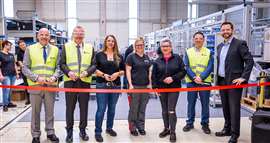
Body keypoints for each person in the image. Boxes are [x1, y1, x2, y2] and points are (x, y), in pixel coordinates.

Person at [215, 22, 254, 143]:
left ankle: (234, 134)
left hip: (234, 82)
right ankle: (227, 129)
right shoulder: (220, 46)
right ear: (221, 32)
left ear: (232, 30)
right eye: (223, 30)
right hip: (222, 81)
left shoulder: (239, 44)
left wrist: (243, 77)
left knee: (234, 109)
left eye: (227, 29)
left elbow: (250, 61)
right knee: (225, 107)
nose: (225, 31)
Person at [22, 28, 60, 143]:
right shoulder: (30, 49)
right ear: (38, 36)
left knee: (50, 111)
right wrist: (36, 78)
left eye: (46, 35)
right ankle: (35, 135)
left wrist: (54, 77)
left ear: (49, 37)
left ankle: (50, 132)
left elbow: (58, 67)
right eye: (42, 35)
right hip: (35, 86)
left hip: (50, 86)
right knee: (35, 112)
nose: (44, 37)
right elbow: (25, 68)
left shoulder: (55, 49)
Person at [60, 25, 96, 142]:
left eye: (81, 33)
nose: (79, 35)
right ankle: (69, 132)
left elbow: (94, 65)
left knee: (84, 108)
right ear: (73, 34)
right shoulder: (66, 46)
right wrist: (69, 72)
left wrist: (87, 72)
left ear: (84, 35)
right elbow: (62, 64)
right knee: (70, 108)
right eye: (77, 32)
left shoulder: (90, 47)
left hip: (84, 82)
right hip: (70, 82)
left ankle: (82, 130)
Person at [152, 37, 186, 142]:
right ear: (161, 48)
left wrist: (173, 78)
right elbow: (154, 75)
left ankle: (173, 131)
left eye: (167, 46)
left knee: (171, 110)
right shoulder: (157, 61)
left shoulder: (177, 58)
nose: (165, 48)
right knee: (164, 110)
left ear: (171, 47)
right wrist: (155, 87)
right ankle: (166, 128)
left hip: (174, 88)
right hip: (162, 89)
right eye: (163, 46)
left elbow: (183, 72)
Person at [94, 35, 125, 142]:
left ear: (115, 43)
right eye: (108, 40)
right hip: (102, 84)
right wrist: (103, 75)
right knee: (101, 109)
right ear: (105, 42)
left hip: (115, 85)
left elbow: (123, 70)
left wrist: (117, 74)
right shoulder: (99, 55)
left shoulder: (119, 56)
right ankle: (98, 131)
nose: (111, 42)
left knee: (112, 108)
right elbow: (95, 69)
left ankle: (109, 128)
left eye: (112, 41)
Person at [183, 31, 213, 134]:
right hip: (191, 82)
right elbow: (186, 66)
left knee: (205, 104)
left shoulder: (209, 52)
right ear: (193, 39)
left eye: (200, 38)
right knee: (191, 103)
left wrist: (202, 77)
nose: (198, 40)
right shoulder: (188, 52)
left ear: (203, 40)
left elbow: (210, 67)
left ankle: (205, 124)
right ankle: (189, 123)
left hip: (204, 82)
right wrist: (194, 77)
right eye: (196, 38)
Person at [126, 37, 152, 136]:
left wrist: (150, 83)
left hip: (145, 86)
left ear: (143, 46)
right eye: (137, 45)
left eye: (141, 45)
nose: (139, 47)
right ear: (135, 46)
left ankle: (141, 126)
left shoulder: (146, 57)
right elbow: (128, 71)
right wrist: (130, 85)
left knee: (142, 107)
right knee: (134, 108)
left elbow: (149, 71)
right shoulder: (131, 57)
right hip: (135, 86)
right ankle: (132, 127)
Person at [0, 40, 19, 112]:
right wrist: (1, 75)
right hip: (5, 75)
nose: (10, 46)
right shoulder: (0, 54)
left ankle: (9, 103)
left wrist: (17, 73)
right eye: (9, 45)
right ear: (5, 45)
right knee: (6, 90)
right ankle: (5, 105)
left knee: (10, 90)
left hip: (13, 75)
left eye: (11, 45)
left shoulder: (11, 55)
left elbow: (14, 64)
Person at [17, 39, 30, 105]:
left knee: (34, 85)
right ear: (19, 46)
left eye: (23, 44)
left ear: (25, 44)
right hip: (25, 72)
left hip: (32, 71)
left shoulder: (30, 50)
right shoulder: (19, 52)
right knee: (26, 85)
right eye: (21, 45)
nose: (22, 46)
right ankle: (28, 99)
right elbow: (19, 61)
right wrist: (24, 67)